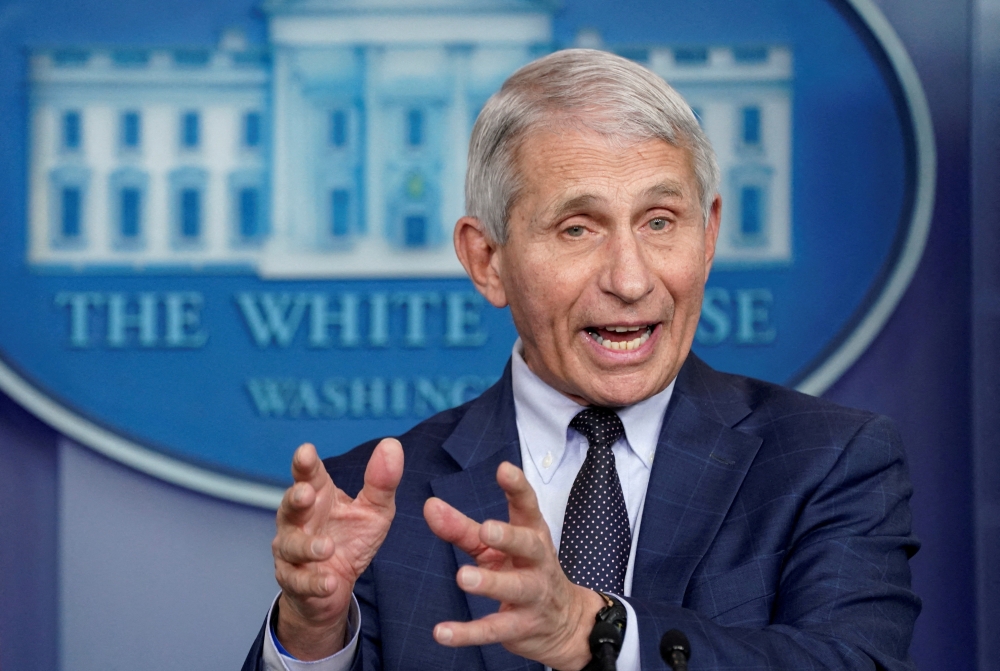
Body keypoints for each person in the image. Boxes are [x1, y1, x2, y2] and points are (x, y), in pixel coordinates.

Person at [243, 48, 920, 671]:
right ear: (487, 259)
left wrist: (592, 631)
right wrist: (312, 634)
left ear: (709, 235)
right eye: (578, 228)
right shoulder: (371, 501)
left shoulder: (829, 461)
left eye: (660, 221)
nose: (630, 279)